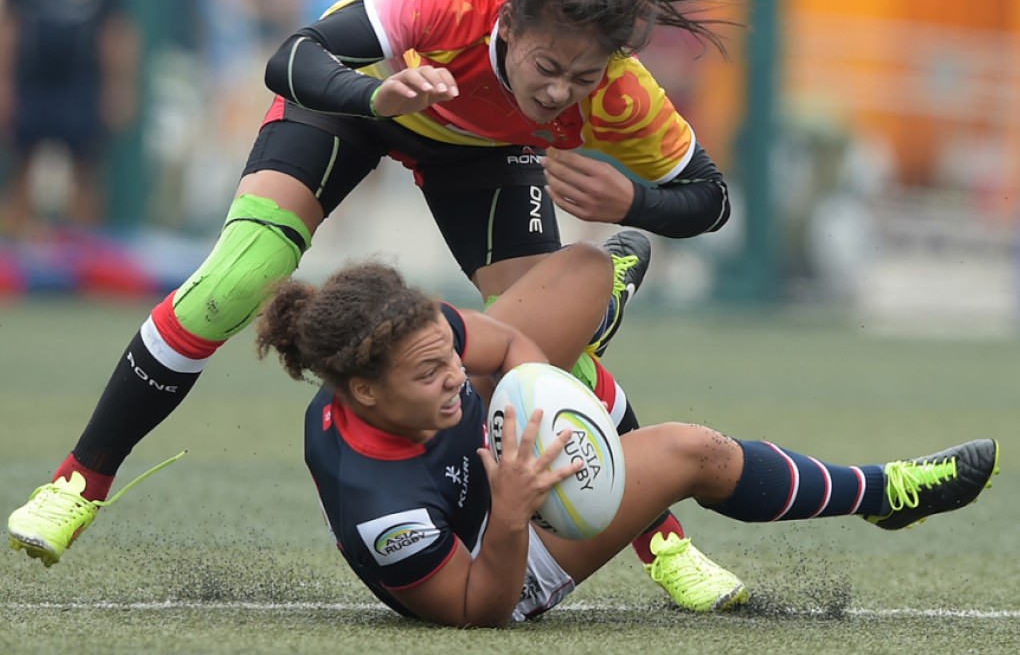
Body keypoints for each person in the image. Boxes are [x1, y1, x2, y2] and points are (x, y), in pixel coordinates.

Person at [7, 0, 763, 611]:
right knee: (234, 281)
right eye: (546, 67)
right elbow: (290, 57)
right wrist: (375, 96)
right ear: (507, 25)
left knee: (555, 346)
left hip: (486, 153)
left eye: (583, 77)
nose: (561, 91)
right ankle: (78, 484)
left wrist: (632, 202)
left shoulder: (620, 93)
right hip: (356, 103)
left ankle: (663, 544)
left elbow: (712, 199)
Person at [255, 256, 1000, 627]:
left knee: (584, 268)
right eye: (430, 372)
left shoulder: (413, 338)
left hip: (491, 461)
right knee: (693, 452)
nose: (453, 371)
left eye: (449, 352)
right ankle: (885, 494)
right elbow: (480, 610)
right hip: (494, 554)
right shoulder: (381, 506)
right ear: (364, 391)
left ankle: (588, 350)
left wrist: (542, 396)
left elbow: (506, 346)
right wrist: (512, 511)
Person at [0, 0, 140, 237]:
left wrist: (119, 87)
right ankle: (12, 245)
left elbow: (116, 33)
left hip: (81, 86)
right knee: (19, 170)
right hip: (30, 83)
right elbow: (9, 28)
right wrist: (4, 85)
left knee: (85, 174)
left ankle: (87, 247)